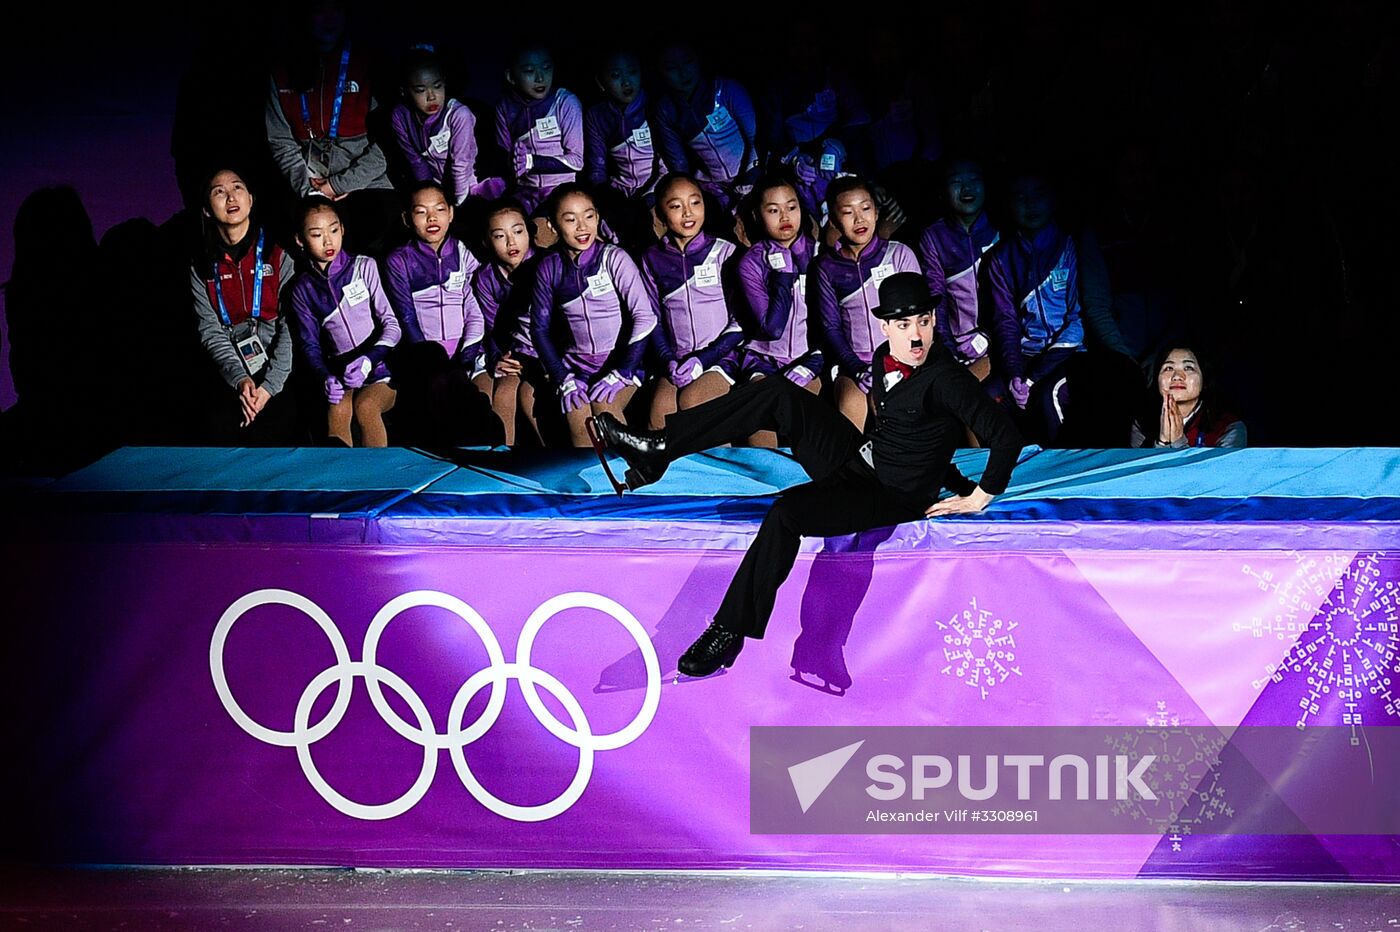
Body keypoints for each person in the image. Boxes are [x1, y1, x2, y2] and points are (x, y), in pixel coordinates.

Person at [587, 272, 1023, 676]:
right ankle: (662, 448)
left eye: (924, 322)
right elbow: (914, 433)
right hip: (860, 459)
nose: (916, 335)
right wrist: (939, 467)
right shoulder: (882, 360)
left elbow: (1004, 436)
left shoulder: (945, 377)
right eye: (904, 324)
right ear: (885, 327)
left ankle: (730, 630)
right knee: (778, 393)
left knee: (786, 513)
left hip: (888, 494)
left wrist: (979, 495)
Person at [985, 170, 1138, 446]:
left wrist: (1031, 378)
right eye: (1021, 198)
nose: (1030, 205)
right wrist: (1016, 374)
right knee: (988, 397)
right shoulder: (1001, 258)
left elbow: (1077, 322)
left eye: (1039, 195)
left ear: (1053, 199)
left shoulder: (1071, 245)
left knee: (1050, 396)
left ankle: (1060, 479)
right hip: (1025, 356)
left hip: (1070, 356)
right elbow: (1005, 322)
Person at [266, 0, 397, 254]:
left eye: (336, 9)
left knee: (377, 230)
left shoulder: (369, 62)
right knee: (297, 232)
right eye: (319, 10)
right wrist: (310, 190)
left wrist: (339, 184)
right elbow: (280, 140)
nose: (329, 19)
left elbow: (389, 141)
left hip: (367, 181)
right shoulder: (281, 70)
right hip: (308, 180)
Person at [530, 184, 657, 447]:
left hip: (623, 364)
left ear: (598, 217)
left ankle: (626, 478)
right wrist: (562, 377)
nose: (582, 226)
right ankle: (592, 487)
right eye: (570, 219)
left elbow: (645, 317)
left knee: (604, 407)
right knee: (580, 418)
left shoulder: (615, 258)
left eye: (588, 216)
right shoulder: (548, 268)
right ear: (553, 226)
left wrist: (622, 371)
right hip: (576, 368)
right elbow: (539, 329)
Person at [382, 182, 502, 446]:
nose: (432, 218)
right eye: (421, 212)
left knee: (483, 406)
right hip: (425, 359)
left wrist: (466, 358)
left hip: (468, 354)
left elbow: (474, 309)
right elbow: (406, 317)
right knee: (438, 402)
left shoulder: (464, 252)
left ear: (451, 212)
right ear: (406, 218)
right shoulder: (398, 260)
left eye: (439, 209)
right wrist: (435, 364)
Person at [191, 169, 300, 444]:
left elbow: (292, 326)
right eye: (219, 191)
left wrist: (269, 386)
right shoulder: (200, 266)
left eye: (237, 188)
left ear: (250, 199)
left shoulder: (279, 252)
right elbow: (211, 331)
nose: (230, 197)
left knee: (282, 423)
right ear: (206, 210)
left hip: (280, 367)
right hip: (232, 370)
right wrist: (240, 378)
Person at [811, 176, 922, 430]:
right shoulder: (826, 267)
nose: (859, 219)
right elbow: (831, 328)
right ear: (835, 221)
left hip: (900, 358)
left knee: (887, 405)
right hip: (853, 364)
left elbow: (920, 319)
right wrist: (858, 369)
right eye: (848, 212)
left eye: (866, 208)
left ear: (876, 210)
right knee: (850, 407)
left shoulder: (900, 254)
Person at [288, 198, 399, 446]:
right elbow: (310, 345)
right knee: (336, 408)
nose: (328, 241)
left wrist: (369, 361)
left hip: (383, 370)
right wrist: (325, 377)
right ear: (300, 240)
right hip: (341, 374)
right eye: (317, 234)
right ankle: (342, 481)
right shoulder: (302, 288)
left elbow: (392, 325)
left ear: (343, 229)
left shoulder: (365, 266)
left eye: (334, 230)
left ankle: (380, 481)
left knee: (366, 405)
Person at [641, 174, 744, 428]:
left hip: (722, 358)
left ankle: (720, 465)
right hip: (676, 360)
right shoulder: (652, 258)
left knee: (694, 401)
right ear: (661, 214)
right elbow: (650, 317)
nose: (688, 213)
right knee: (660, 410)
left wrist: (704, 360)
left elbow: (741, 320)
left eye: (695, 203)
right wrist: (668, 359)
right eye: (676, 206)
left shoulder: (725, 252)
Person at [733, 174, 823, 447]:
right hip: (763, 360)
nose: (785, 216)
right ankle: (765, 487)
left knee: (808, 420)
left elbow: (832, 321)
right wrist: (782, 273)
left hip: (809, 358)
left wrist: (815, 361)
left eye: (791, 206)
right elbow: (771, 328)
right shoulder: (750, 262)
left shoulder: (821, 253)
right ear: (758, 216)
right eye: (773, 210)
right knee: (761, 413)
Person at [389, 46, 504, 206]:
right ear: (404, 91)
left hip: (471, 185)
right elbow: (416, 161)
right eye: (420, 90)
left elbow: (460, 163)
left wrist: (458, 203)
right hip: (439, 188)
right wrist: (433, 198)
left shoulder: (459, 115)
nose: (432, 97)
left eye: (437, 86)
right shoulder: (400, 116)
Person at [916, 157, 998, 380]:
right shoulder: (934, 236)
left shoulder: (1001, 227)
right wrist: (948, 349)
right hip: (959, 344)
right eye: (956, 181)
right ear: (942, 191)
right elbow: (936, 297)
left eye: (974, 179)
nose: (967, 188)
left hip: (1001, 341)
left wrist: (990, 338)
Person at [652, 44, 759, 213]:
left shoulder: (727, 90)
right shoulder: (666, 110)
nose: (683, 72)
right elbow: (678, 164)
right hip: (710, 186)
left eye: (688, 62)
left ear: (698, 60)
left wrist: (750, 178)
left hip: (752, 175)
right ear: (660, 72)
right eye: (671, 68)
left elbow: (755, 138)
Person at [473, 200, 545, 447]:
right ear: (486, 241)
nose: (511, 243)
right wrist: (497, 358)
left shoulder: (547, 265)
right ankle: (504, 459)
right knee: (503, 393)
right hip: (517, 351)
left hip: (550, 353)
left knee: (532, 397)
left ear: (529, 232)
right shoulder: (485, 277)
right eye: (500, 236)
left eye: (518, 231)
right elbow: (491, 326)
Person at [584, 49, 662, 249]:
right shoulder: (596, 115)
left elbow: (668, 164)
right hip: (621, 191)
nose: (626, 82)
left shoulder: (657, 105)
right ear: (601, 83)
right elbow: (597, 170)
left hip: (658, 187)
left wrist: (650, 197)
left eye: (632, 72)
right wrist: (604, 204)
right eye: (616, 76)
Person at [494, 45, 585, 216]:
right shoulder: (505, 106)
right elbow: (505, 156)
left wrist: (531, 162)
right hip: (526, 191)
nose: (540, 78)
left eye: (546, 68)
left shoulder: (565, 102)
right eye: (529, 71)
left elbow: (577, 161)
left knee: (543, 230)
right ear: (511, 77)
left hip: (562, 190)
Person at [1131, 346, 1247, 448]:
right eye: (1169, 368)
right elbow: (1140, 471)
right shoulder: (1142, 424)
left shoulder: (1229, 427)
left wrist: (1178, 442)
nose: (1177, 376)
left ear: (1204, 380)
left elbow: (1220, 472)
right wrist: (1162, 444)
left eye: (1188, 368)